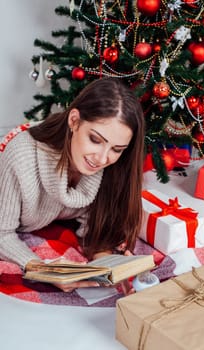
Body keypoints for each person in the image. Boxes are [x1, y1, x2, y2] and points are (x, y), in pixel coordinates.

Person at [0, 77, 145, 293]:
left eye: (117, 149)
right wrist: (43, 269)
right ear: (74, 121)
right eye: (95, 140)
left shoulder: (112, 166)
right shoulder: (21, 157)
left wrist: (108, 265)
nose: (102, 158)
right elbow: (2, 233)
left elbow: (95, 228)